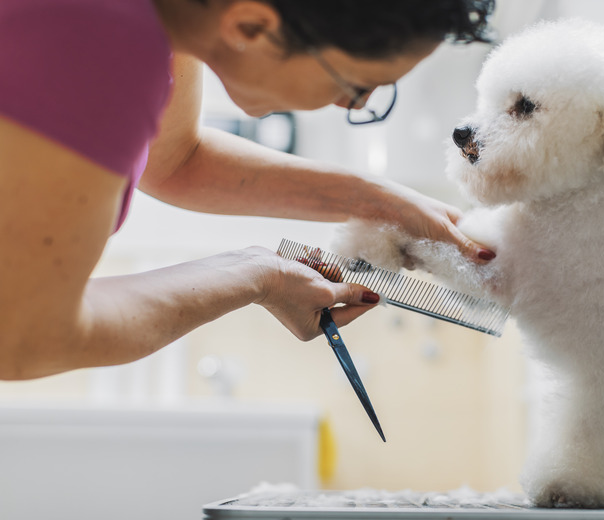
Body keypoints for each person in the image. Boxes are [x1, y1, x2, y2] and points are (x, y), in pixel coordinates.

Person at [0, 0, 496, 381]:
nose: (349, 105)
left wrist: (379, 201)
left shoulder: (172, 19)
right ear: (253, 27)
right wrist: (255, 276)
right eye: (357, 86)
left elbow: (175, 160)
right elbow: (24, 334)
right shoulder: (104, 37)